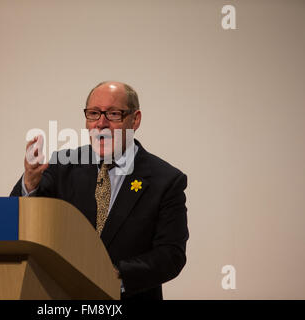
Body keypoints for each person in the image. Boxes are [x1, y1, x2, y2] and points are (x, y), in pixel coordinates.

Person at [10, 81, 189, 300]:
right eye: (93, 113)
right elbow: (17, 222)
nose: (101, 123)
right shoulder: (62, 166)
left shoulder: (166, 180)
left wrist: (115, 275)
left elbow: (171, 256)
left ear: (135, 119)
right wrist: (30, 183)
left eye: (114, 114)